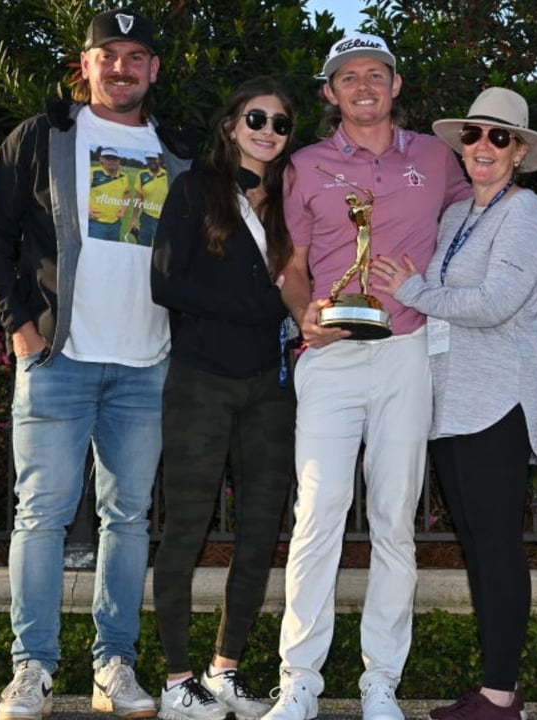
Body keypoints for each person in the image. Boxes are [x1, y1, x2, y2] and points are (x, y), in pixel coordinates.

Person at [263, 33, 537, 720]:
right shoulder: (304, 165)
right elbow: (292, 265)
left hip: (408, 353)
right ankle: (299, 681)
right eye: (348, 77)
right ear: (329, 92)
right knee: (318, 516)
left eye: (376, 73)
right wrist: (303, 314)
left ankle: (380, 684)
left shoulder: (437, 158)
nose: (363, 85)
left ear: (396, 86)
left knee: (395, 523)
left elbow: (495, 201)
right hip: (329, 357)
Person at [0, 8, 194, 720]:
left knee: (127, 520)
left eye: (136, 56)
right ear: (84, 66)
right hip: (59, 361)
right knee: (41, 518)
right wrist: (22, 326)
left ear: (154, 70)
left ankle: (112, 667)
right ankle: (30, 668)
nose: (121, 67)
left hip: (147, 368)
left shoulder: (179, 152)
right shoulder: (42, 138)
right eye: (108, 55)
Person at [370, 87, 537, 720]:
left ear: (521, 152)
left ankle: (503, 696)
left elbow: (497, 301)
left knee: (498, 546)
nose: (483, 147)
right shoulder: (455, 216)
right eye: (474, 135)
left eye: (499, 138)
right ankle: (494, 689)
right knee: (478, 548)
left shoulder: (525, 211)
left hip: (496, 406)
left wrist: (415, 291)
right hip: (447, 407)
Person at [149, 75, 297, 720]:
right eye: (257, 119)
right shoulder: (193, 190)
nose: (269, 131)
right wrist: (259, 306)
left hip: (269, 386)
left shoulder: (294, 199)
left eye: (281, 123)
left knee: (262, 531)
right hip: (201, 380)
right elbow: (166, 283)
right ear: (231, 125)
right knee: (186, 527)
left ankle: (225, 670)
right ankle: (178, 679)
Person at [89, 146, 135, 241]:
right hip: (96, 223)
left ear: (119, 161)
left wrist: (123, 208)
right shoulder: (92, 172)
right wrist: (86, 209)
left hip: (115, 224)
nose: (111, 161)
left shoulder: (124, 176)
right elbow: (79, 192)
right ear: (101, 159)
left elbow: (126, 194)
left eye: (114, 158)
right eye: (107, 158)